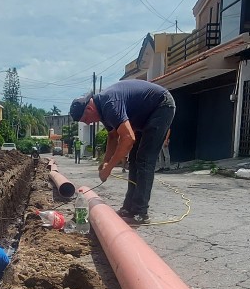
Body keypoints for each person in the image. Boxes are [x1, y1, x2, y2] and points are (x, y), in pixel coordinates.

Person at [70, 80, 175, 224]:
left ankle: (140, 212)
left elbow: (128, 138)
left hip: (161, 106)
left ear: (89, 109)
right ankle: (128, 208)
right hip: (142, 116)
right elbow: (113, 136)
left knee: (144, 159)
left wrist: (110, 168)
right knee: (134, 159)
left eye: (86, 119)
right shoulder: (102, 110)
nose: (88, 123)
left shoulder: (110, 104)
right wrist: (105, 161)